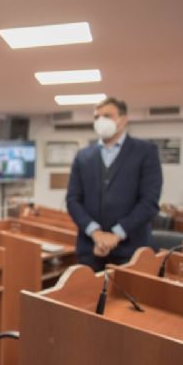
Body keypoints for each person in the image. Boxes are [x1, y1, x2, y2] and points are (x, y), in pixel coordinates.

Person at [66, 96, 163, 271]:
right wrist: (96, 233)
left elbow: (149, 202)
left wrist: (116, 235)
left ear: (123, 120)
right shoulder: (83, 156)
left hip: (132, 249)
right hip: (91, 249)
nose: (101, 121)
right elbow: (73, 200)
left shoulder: (145, 152)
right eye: (97, 117)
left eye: (107, 116)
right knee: (88, 297)